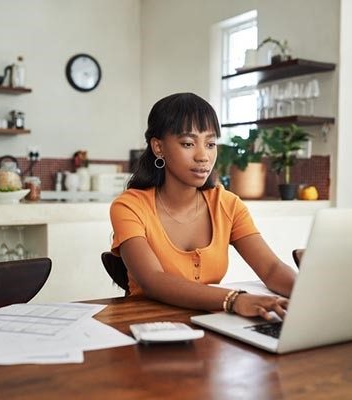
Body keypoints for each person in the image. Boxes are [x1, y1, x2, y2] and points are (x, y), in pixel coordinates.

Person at [110, 92, 297, 320]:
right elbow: (152, 280)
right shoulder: (130, 206)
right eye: (188, 143)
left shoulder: (227, 204)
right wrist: (234, 300)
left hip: (212, 328)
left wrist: (310, 294)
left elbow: (271, 269)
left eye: (210, 144)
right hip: (146, 329)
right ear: (158, 147)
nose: (203, 156)